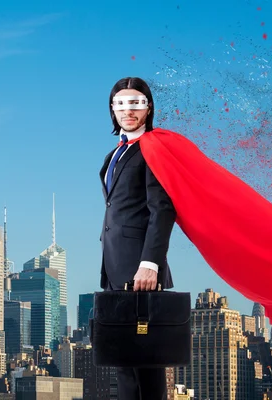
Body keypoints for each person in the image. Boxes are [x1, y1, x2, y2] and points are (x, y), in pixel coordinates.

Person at [99, 77, 174, 399]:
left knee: (146, 362)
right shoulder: (113, 155)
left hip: (140, 269)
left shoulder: (152, 149)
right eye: (121, 104)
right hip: (115, 266)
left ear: (149, 107)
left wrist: (150, 264)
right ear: (112, 110)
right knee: (124, 361)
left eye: (136, 103)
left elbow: (163, 209)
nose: (128, 110)